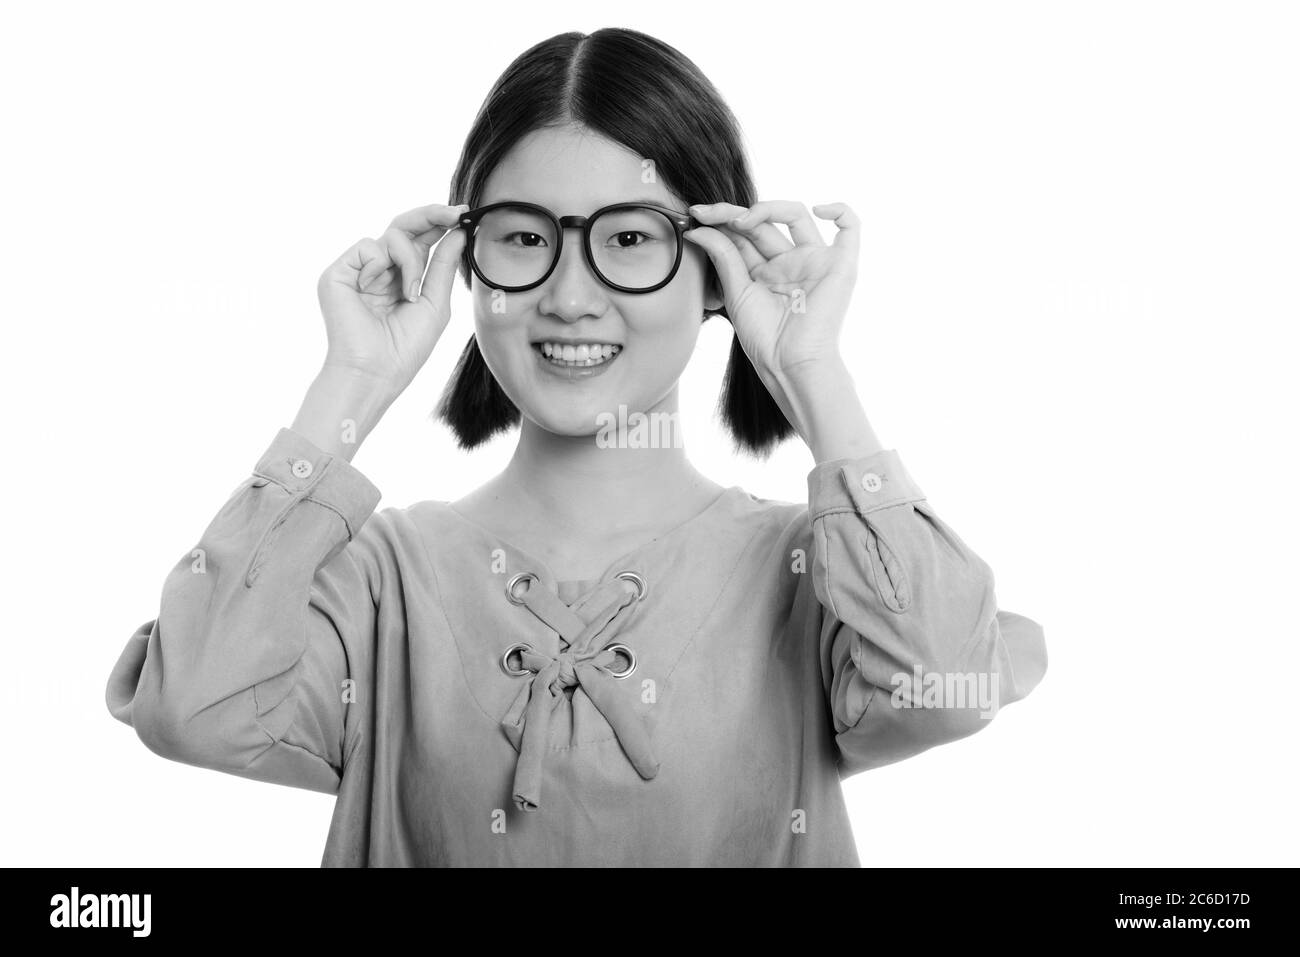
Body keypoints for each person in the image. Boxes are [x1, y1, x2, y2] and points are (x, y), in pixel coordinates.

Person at [105, 27, 1047, 867]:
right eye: (523, 238)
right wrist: (351, 381)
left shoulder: (813, 578)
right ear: (466, 264)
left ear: (719, 269)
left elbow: (943, 686)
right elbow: (196, 709)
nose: (568, 296)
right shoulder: (378, 583)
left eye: (629, 238)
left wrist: (811, 371)